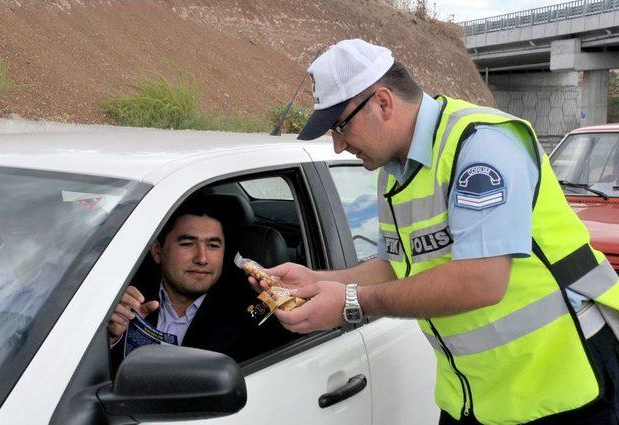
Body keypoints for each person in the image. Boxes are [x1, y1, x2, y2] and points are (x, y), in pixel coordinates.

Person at [251, 39, 619, 424]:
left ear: (383, 102)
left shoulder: (480, 146)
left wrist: (351, 304)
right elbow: (399, 265)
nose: (339, 145)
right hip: (473, 395)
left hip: (560, 390)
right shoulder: (394, 170)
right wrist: (316, 281)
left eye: (340, 125)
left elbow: (482, 281)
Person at [109, 197, 290, 368]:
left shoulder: (253, 311)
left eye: (213, 246)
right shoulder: (125, 297)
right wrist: (112, 339)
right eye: (187, 243)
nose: (202, 258)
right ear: (157, 251)